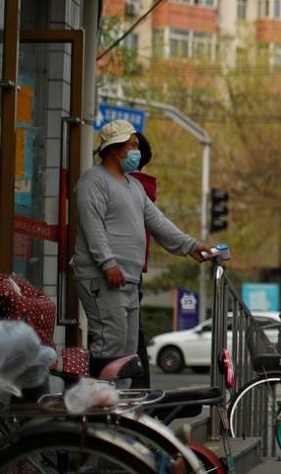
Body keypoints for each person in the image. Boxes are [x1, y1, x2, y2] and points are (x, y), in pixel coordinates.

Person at [72, 120, 213, 384]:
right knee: (108, 346)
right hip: (102, 277)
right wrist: (107, 263)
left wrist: (190, 246)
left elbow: (157, 222)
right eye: (133, 145)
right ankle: (96, 408)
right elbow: (93, 226)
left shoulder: (134, 186)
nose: (137, 150)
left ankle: (119, 409)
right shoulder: (93, 181)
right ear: (114, 148)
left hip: (128, 278)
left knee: (127, 354)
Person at [128, 132, 156, 389]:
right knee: (132, 335)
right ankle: (141, 390)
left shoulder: (132, 190)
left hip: (122, 272)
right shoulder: (141, 189)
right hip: (129, 272)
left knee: (129, 336)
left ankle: (140, 391)